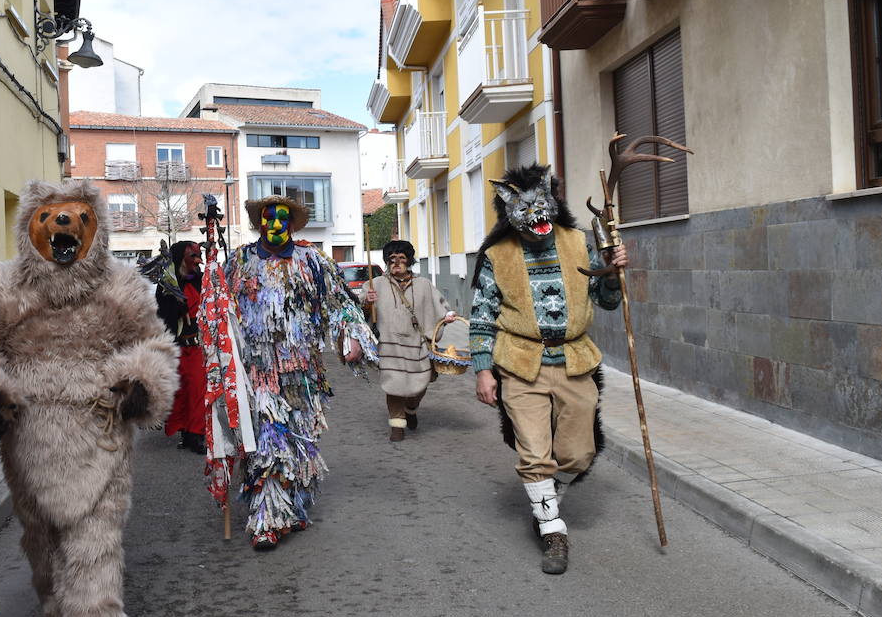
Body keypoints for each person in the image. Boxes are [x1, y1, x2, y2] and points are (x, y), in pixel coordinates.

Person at [0, 179, 178, 617]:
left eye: (76, 217)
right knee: (41, 532)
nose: (63, 226)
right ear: (30, 227)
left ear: (96, 227)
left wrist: (138, 383)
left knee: (96, 537)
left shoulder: (122, 286)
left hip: (101, 427)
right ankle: (53, 603)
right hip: (28, 432)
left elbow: (153, 343)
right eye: (51, 217)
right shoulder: (1, 286)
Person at [468, 164, 627, 575]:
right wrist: (483, 370)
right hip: (520, 366)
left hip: (575, 362)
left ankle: (545, 499)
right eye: (524, 208)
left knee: (579, 453)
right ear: (508, 214)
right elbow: (482, 315)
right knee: (534, 453)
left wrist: (612, 272)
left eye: (543, 203)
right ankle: (553, 530)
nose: (537, 214)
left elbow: (608, 301)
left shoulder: (577, 242)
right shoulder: (496, 257)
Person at [224, 195, 378, 550]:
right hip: (259, 372)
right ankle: (266, 519)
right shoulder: (240, 262)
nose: (275, 225)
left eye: (282, 219)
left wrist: (351, 336)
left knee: (301, 442)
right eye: (268, 218)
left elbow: (340, 303)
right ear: (259, 223)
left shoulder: (312, 261)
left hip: (304, 374)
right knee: (267, 442)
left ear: (292, 224)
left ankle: (292, 507)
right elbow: (222, 312)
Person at [362, 240, 457, 442]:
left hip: (418, 345)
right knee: (394, 385)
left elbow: (440, 304)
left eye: (401, 258)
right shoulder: (375, 284)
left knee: (421, 383)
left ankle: (411, 408)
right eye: (392, 259)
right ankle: (397, 425)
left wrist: (447, 315)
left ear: (409, 261)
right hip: (389, 345)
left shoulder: (423, 284)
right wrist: (366, 302)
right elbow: (360, 313)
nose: (396, 262)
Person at [155, 241, 208, 453]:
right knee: (180, 392)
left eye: (198, 255)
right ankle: (185, 433)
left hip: (196, 348)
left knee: (197, 390)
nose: (197, 260)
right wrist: (178, 305)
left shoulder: (202, 280)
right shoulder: (166, 286)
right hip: (176, 347)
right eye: (192, 256)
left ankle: (196, 435)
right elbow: (162, 318)